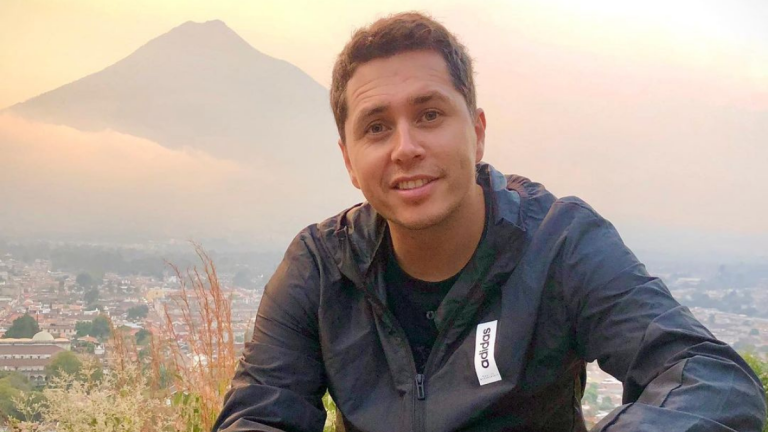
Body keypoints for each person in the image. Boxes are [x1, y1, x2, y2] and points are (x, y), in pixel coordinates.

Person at [213, 12, 766, 432]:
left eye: (430, 114)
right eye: (376, 127)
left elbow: (709, 377)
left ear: (477, 133)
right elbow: (259, 412)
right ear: (349, 161)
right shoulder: (320, 268)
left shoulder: (559, 243)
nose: (405, 147)